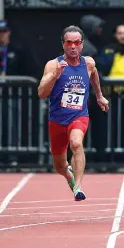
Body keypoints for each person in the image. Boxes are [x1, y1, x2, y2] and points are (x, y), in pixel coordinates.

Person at [38, 25, 109, 201]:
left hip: (79, 116)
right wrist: (54, 76)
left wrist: (99, 96)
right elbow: (41, 93)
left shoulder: (89, 63)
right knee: (60, 166)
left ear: (82, 45)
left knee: (76, 143)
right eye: (69, 42)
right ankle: (69, 176)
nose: (73, 46)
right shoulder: (53, 65)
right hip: (57, 120)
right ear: (63, 44)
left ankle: (77, 186)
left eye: (76, 42)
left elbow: (94, 75)